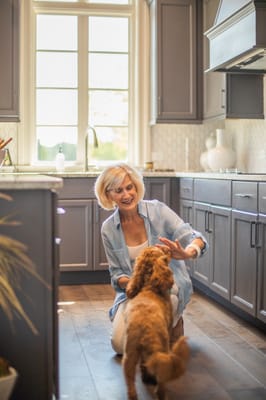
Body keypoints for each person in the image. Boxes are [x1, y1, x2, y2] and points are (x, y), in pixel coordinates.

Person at [94, 163, 208, 355]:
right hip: (135, 292)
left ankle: (173, 319)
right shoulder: (108, 228)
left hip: (167, 286)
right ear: (108, 195)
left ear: (136, 187)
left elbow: (194, 236)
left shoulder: (158, 211)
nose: (126, 195)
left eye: (129, 187)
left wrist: (188, 252)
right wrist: (136, 284)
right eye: (118, 190)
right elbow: (116, 276)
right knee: (120, 346)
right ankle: (165, 328)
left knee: (152, 341)